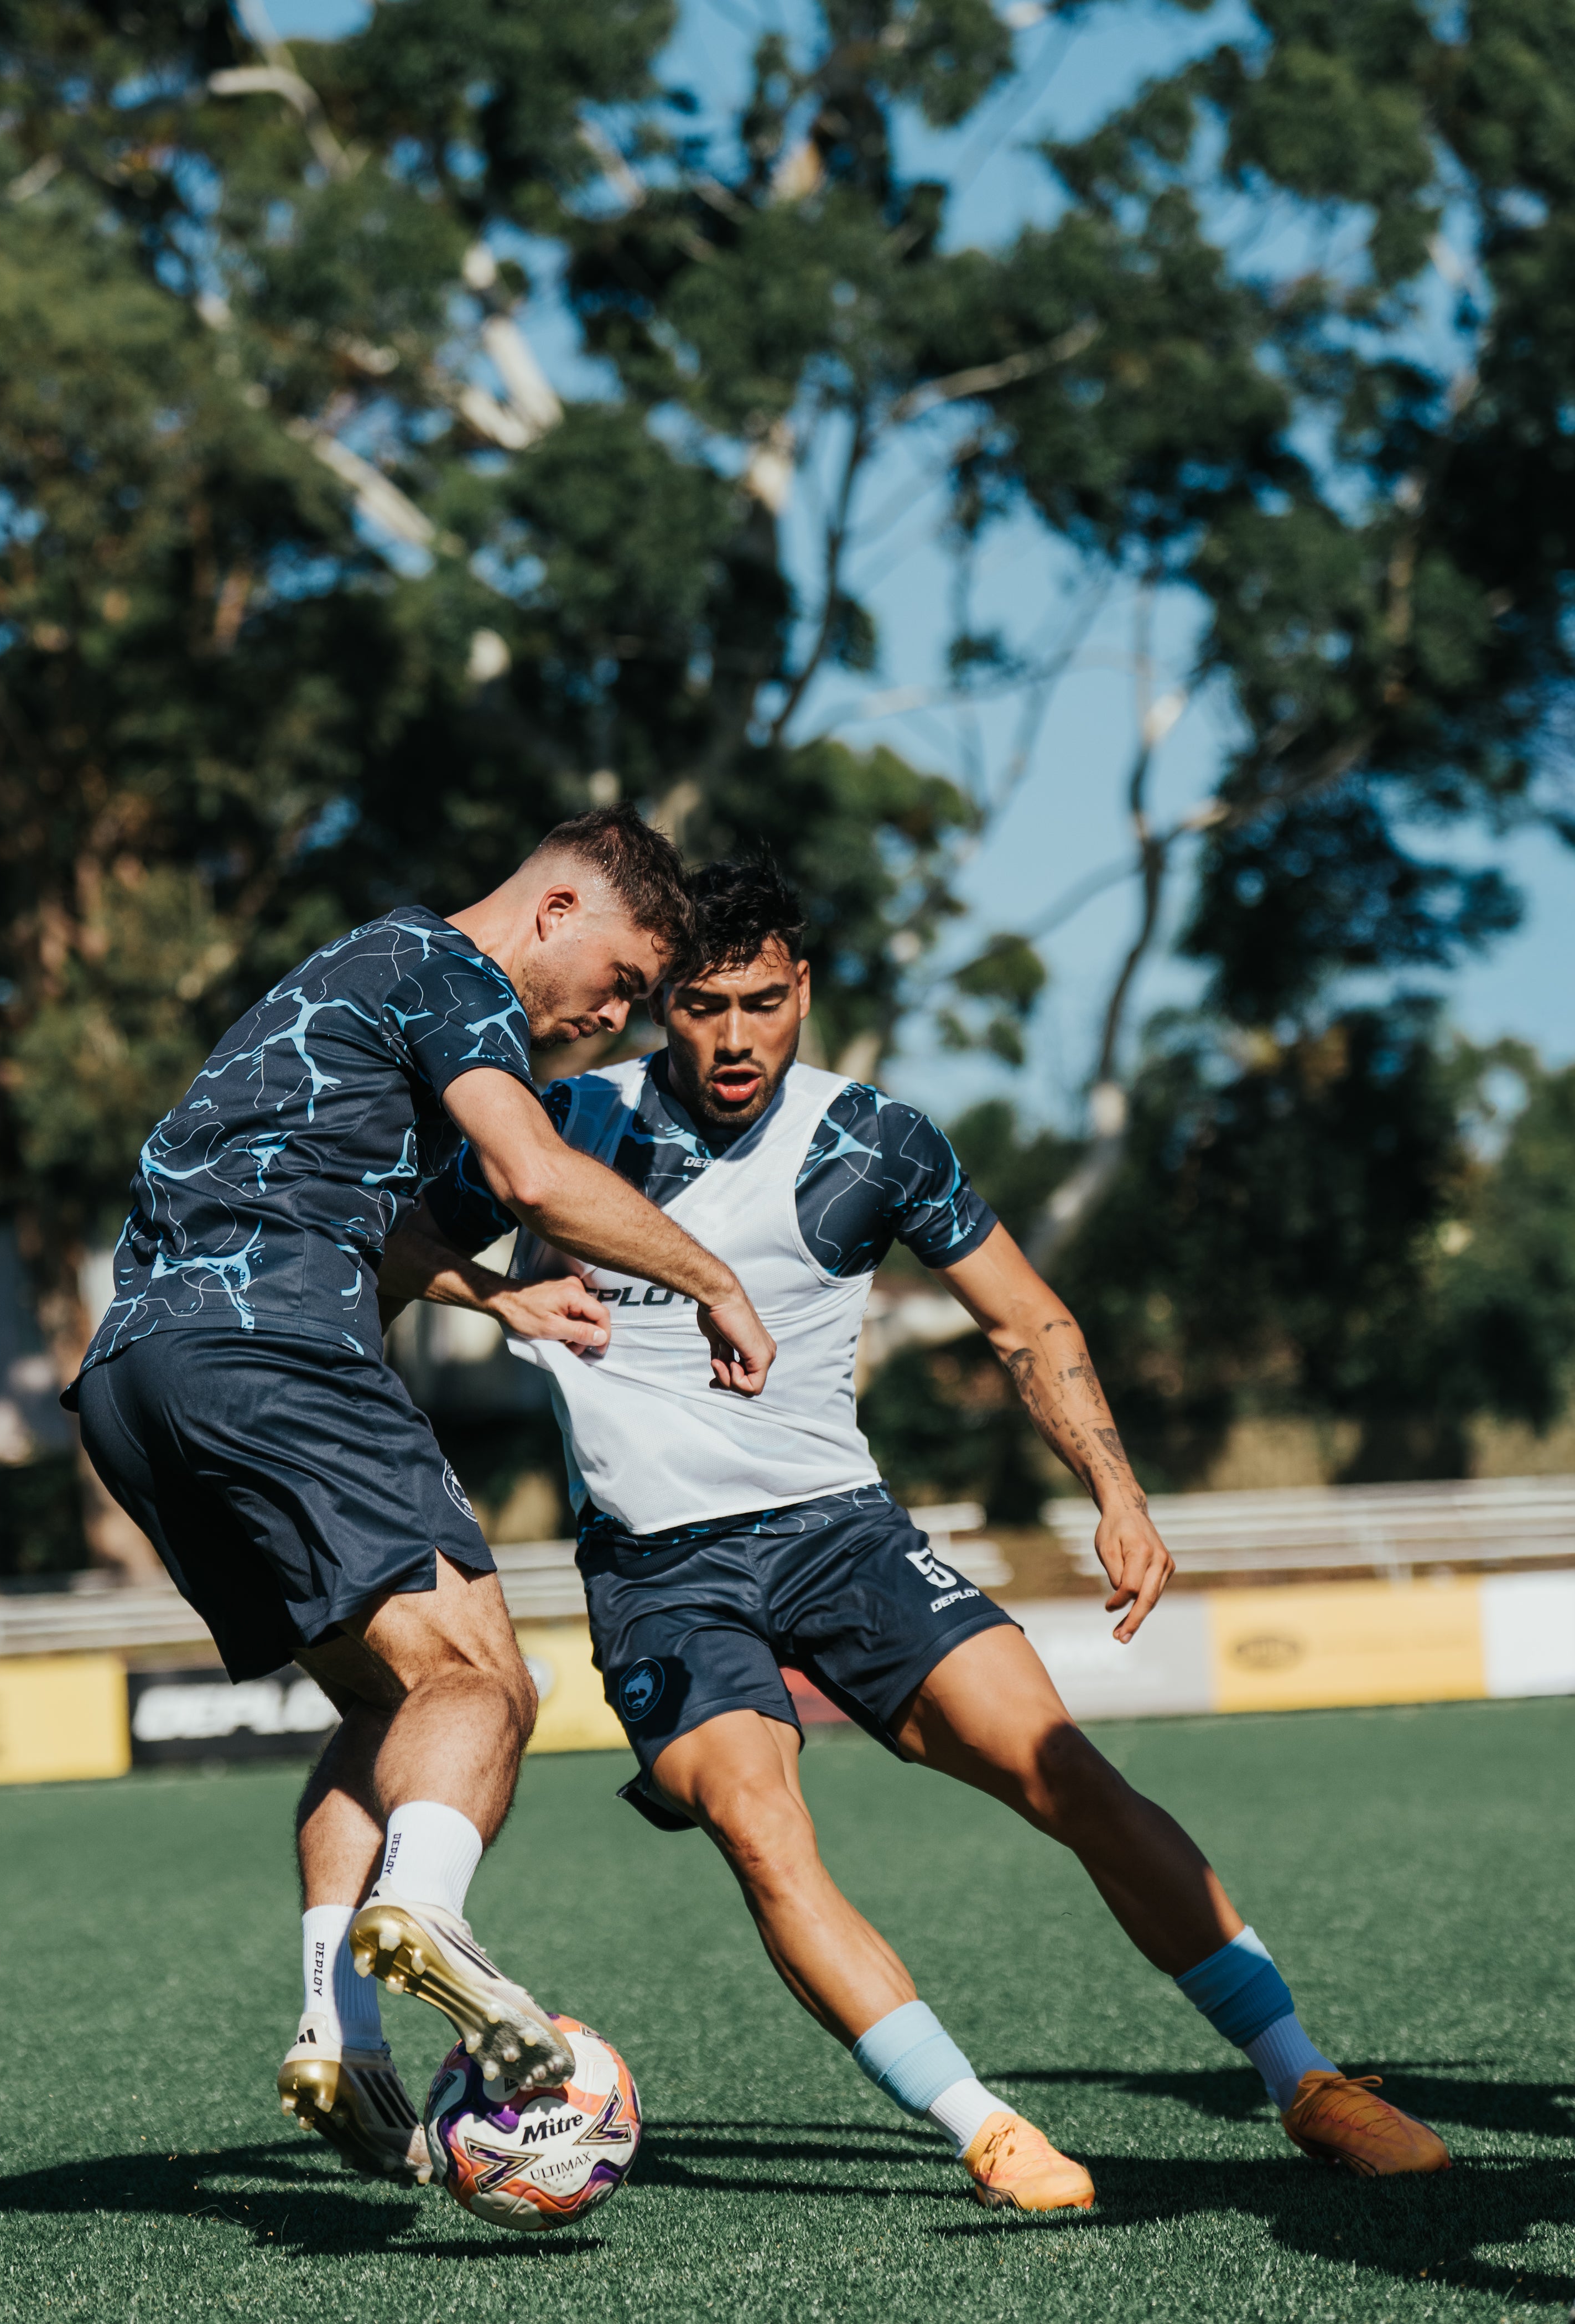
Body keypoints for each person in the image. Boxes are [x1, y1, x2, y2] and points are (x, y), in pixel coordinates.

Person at [391, 852, 1452, 2212]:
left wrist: (1116, 1491)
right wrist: (501, 1300)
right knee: (763, 1832)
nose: (731, 1040)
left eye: (761, 1004)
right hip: (660, 1572)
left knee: (1067, 1772)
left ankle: (1306, 2077)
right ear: (660, 1003)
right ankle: (985, 2129)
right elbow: (382, 1238)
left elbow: (1030, 1322)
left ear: (805, 990)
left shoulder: (873, 1141)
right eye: (701, 1006)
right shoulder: (561, 1131)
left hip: (844, 1535)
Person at [65, 808, 777, 2184]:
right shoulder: (454, 973)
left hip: (137, 1377)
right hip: (274, 1354)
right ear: (559, 908)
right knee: (485, 1685)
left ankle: (341, 2033)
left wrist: (491, 1293)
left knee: (387, 1708)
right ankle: (432, 1920)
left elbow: (344, 1206)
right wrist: (716, 1282)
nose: (609, 1016)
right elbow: (531, 1172)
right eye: (623, 980)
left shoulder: (345, 979)